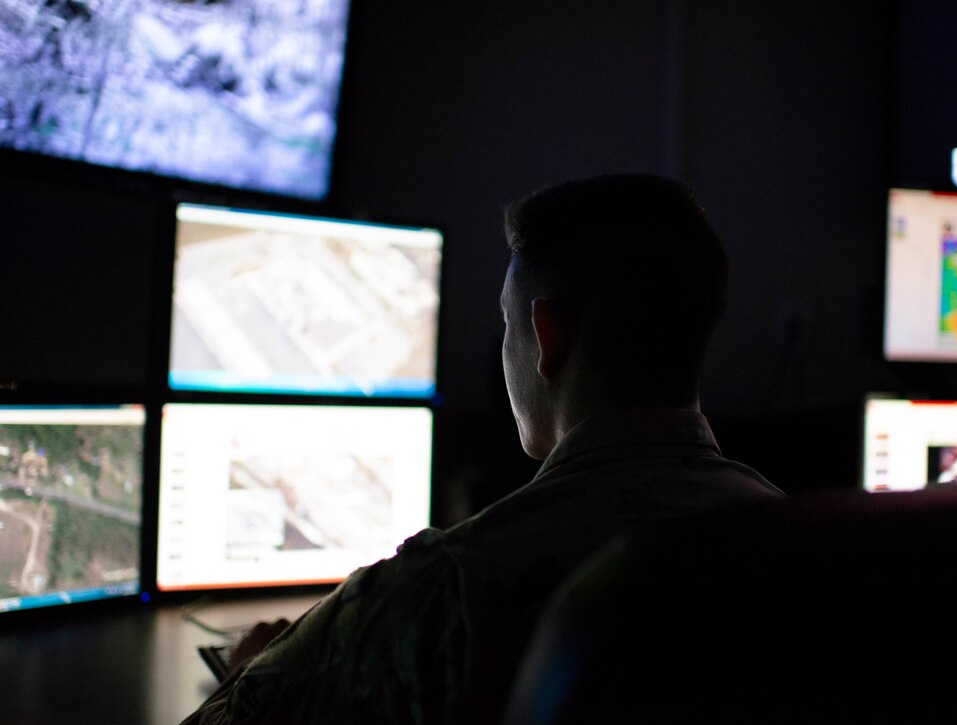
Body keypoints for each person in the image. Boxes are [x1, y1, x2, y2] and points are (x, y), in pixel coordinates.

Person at [182, 173, 783, 724]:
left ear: (546, 337)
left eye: (506, 323)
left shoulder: (444, 588)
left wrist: (250, 670)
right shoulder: (805, 545)